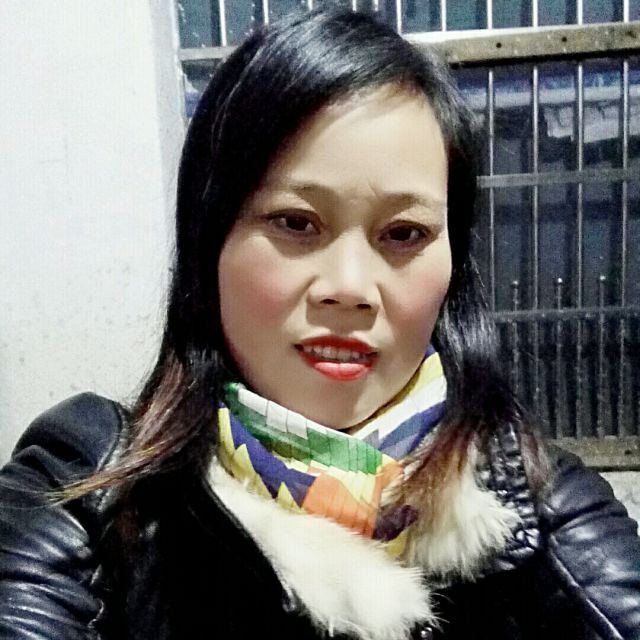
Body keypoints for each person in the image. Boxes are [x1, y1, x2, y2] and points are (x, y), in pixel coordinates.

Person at [0, 8, 638, 640]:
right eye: (296, 223)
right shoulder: (87, 486)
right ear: (210, 239)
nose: (351, 288)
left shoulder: (533, 499)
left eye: (404, 233)